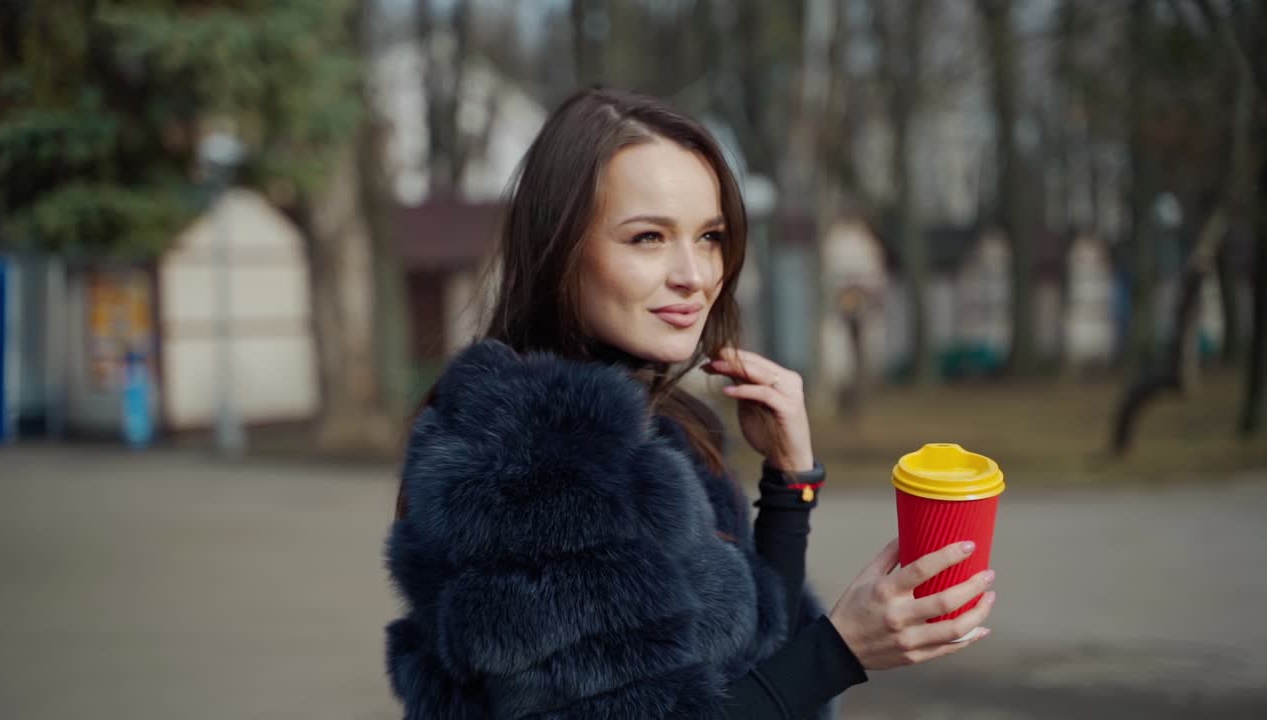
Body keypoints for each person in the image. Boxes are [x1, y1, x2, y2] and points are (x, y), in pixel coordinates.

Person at [384, 87, 997, 719]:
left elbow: (754, 664)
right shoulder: (524, 457)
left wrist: (789, 485)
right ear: (558, 247)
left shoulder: (669, 428)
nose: (695, 274)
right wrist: (841, 650)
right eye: (648, 237)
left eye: (709, 236)